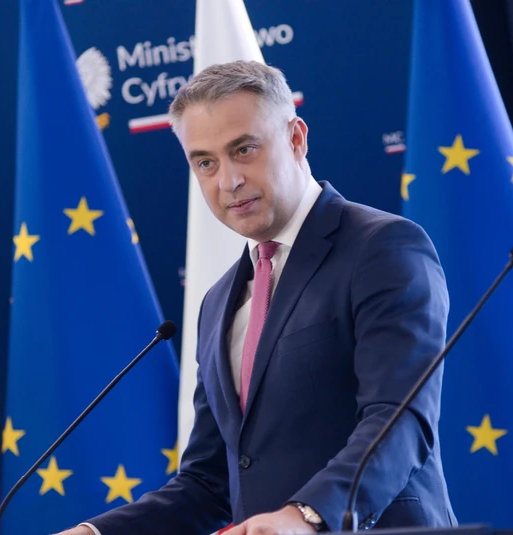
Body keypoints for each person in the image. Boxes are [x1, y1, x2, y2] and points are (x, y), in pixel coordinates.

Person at [59, 60, 456, 535]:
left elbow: (399, 419)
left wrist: (306, 515)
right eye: (205, 163)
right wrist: (96, 533)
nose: (227, 181)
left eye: (244, 150)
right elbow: (208, 483)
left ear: (296, 138)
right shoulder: (217, 302)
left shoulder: (381, 248)